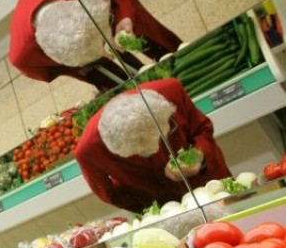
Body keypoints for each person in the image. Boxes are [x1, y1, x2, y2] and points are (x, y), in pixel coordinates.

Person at [8, 0, 182, 91]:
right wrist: (86, 63)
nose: (108, 47)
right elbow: (55, 71)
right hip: (78, 57)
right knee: (118, 84)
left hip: (92, 0)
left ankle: (179, 63)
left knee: (150, 35)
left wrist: (124, 16)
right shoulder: (23, 57)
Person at [74, 78, 232, 213]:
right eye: (142, 152)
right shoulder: (88, 151)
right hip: (165, 206)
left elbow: (202, 128)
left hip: (210, 182)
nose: (155, 151)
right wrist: (150, 206)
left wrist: (200, 155)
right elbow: (110, 194)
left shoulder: (171, 91)